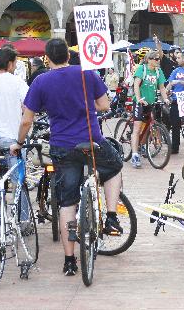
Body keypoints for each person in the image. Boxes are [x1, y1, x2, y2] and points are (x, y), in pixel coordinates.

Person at [11, 38, 124, 276]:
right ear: (69, 56)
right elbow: (104, 106)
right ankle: (112, 217)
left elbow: (26, 119)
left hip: (61, 146)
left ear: (47, 58)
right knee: (114, 166)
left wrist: (19, 143)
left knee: (66, 203)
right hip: (90, 142)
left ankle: (69, 260)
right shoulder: (87, 73)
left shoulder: (40, 81)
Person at [130, 50, 169, 168]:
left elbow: (162, 87)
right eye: (156, 59)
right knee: (137, 129)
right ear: (149, 60)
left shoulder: (158, 71)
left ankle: (141, 145)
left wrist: (166, 98)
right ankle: (134, 155)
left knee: (148, 126)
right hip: (140, 102)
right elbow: (136, 85)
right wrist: (138, 98)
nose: (158, 61)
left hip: (150, 102)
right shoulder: (142, 69)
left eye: (159, 59)